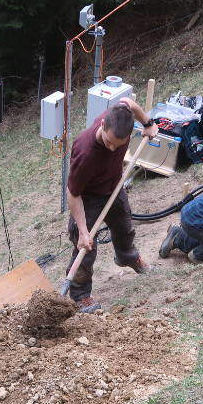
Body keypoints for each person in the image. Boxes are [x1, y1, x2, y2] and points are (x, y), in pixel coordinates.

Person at [66, 97, 159, 313]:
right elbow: (73, 194)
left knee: (124, 226)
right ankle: (79, 295)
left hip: (113, 187)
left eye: (117, 145)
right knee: (86, 248)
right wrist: (82, 231)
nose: (111, 148)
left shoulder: (122, 116)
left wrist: (147, 123)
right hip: (87, 200)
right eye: (108, 142)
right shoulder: (85, 151)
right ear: (102, 125)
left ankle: (127, 257)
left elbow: (128, 102)